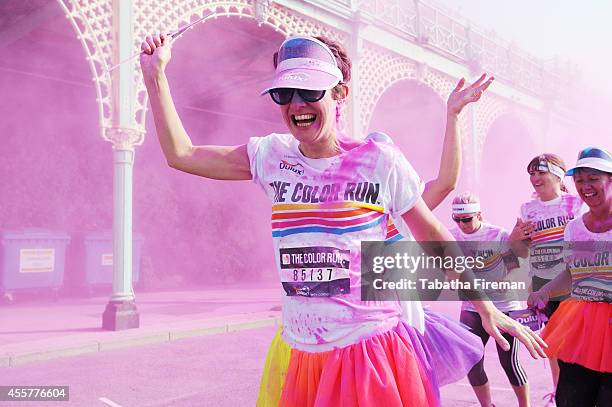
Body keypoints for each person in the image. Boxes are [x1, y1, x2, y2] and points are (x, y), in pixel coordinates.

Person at [140, 33, 546, 406]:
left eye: (310, 91)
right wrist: (155, 76)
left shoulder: (379, 161)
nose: (297, 103)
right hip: (303, 352)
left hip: (368, 352)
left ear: (340, 95)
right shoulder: (271, 155)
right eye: (285, 93)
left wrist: (485, 306)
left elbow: (434, 236)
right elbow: (182, 154)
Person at [528, 147, 611, 407]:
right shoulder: (574, 227)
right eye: (579, 179)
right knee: (571, 398)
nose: (585, 186)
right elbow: (571, 272)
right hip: (581, 323)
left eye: (593, 178)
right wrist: (544, 291)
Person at [509, 153, 585, 404]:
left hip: (573, 281)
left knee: (577, 342)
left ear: (558, 175)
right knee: (553, 343)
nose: (535, 178)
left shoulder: (575, 204)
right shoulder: (527, 209)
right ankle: (559, 393)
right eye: (531, 173)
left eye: (540, 172)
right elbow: (520, 252)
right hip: (542, 284)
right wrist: (517, 238)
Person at [450, 192, 529, 407]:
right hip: (472, 307)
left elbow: (514, 266)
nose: (461, 224)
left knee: (509, 363)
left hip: (504, 307)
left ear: (479, 215)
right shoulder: (450, 237)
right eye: (456, 220)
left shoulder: (497, 235)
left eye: (466, 219)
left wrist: (505, 279)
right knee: (471, 362)